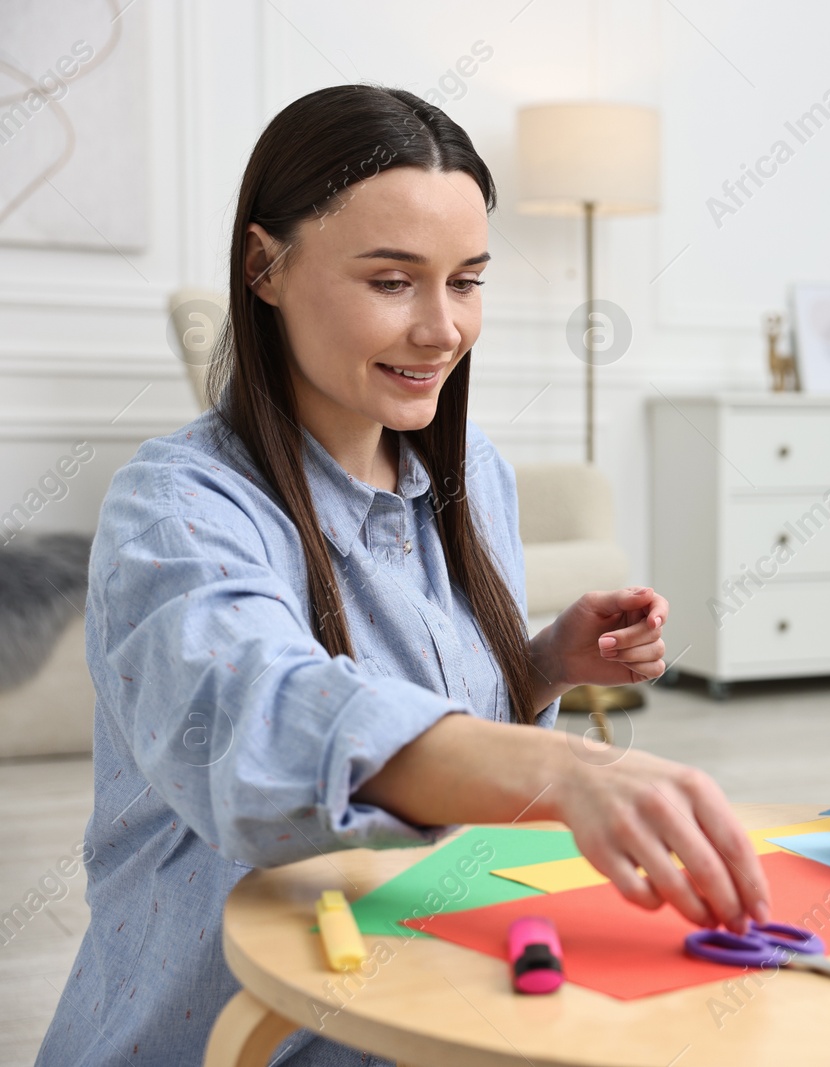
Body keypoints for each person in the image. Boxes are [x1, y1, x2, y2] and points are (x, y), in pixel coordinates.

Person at [35, 84, 769, 1067]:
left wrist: (542, 661)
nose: (442, 329)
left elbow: (441, 752)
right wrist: (566, 771)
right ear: (264, 264)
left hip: (430, 1004)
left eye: (466, 281)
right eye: (392, 281)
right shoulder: (176, 506)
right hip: (236, 1032)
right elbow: (260, 720)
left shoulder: (480, 482)